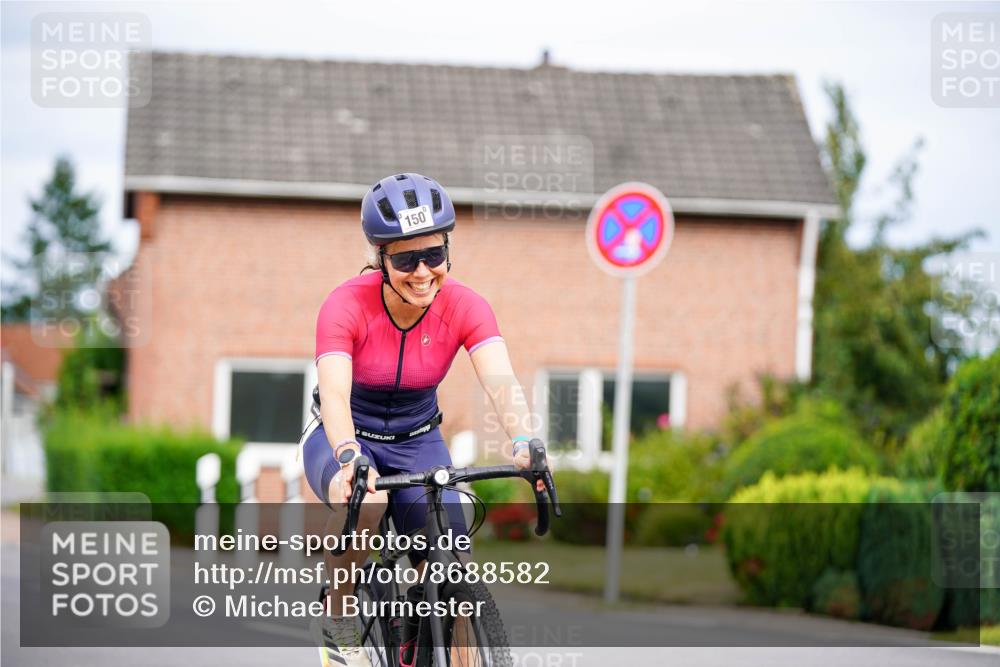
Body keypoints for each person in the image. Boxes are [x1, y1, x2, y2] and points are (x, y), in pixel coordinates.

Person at [303, 173, 544, 667]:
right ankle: (339, 618)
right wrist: (349, 457)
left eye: (433, 255)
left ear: (448, 251)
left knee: (453, 568)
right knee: (367, 503)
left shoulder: (465, 305)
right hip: (345, 435)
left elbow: (501, 381)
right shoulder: (345, 304)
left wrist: (525, 439)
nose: (421, 272)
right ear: (380, 259)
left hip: (418, 440)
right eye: (405, 260)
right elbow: (335, 395)